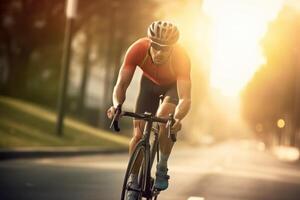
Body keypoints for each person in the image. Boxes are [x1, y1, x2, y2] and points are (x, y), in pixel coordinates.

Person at [107, 20, 191, 199]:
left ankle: (162, 167)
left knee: (163, 118)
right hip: (148, 87)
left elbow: (185, 98)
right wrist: (117, 106)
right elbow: (121, 85)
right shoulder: (137, 49)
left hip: (171, 88)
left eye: (166, 48)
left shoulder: (181, 58)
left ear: (173, 48)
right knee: (138, 136)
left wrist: (177, 117)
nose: (160, 52)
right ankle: (133, 182)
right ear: (149, 41)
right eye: (156, 46)